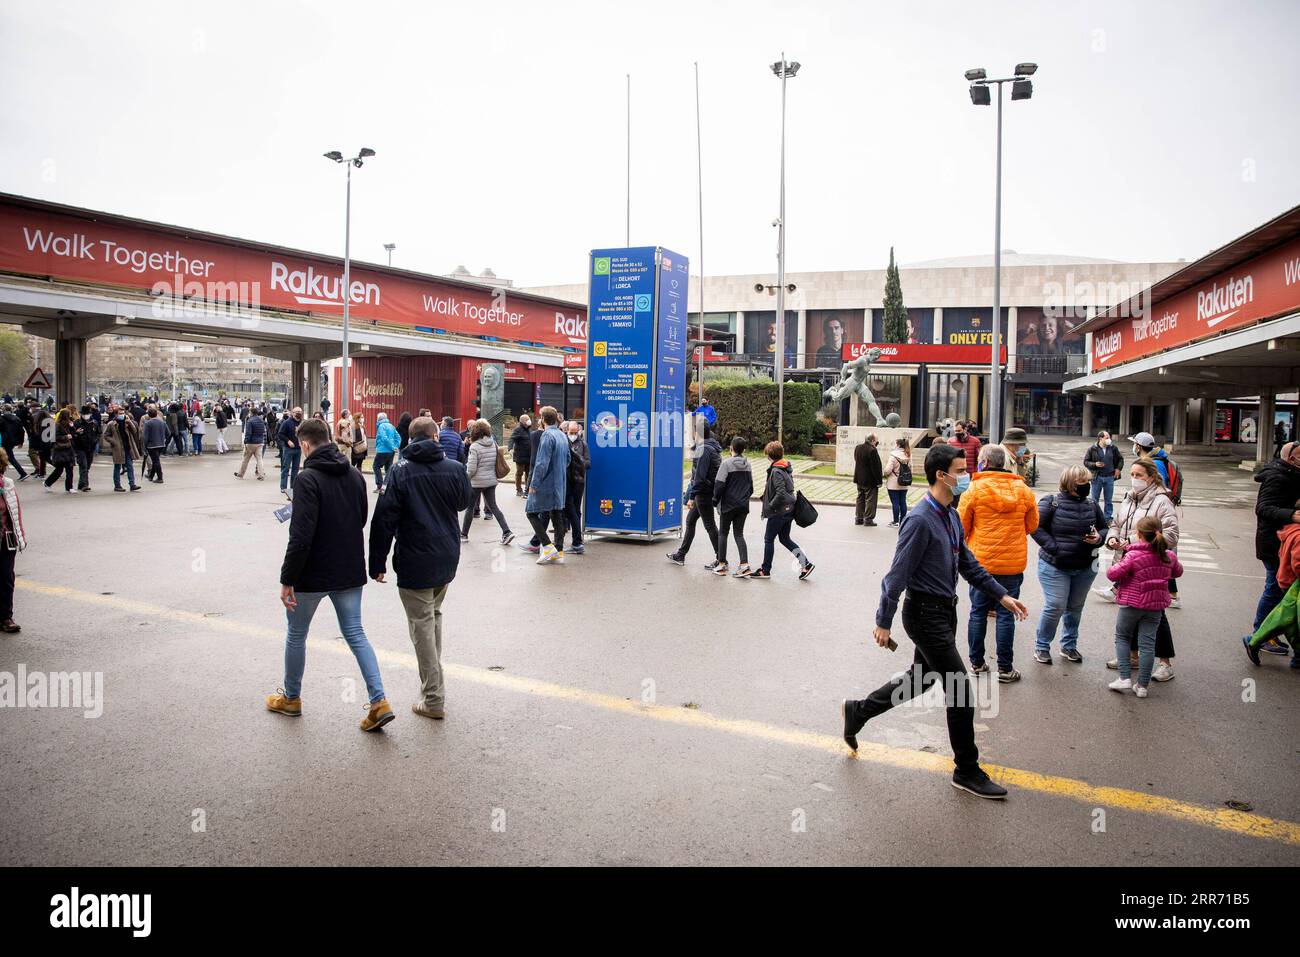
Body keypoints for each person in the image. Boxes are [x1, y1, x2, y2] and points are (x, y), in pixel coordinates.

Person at [841, 443, 1029, 799]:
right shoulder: (920, 519)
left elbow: (968, 564)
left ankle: (859, 712)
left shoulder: (951, 515)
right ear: (942, 475)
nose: (966, 476)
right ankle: (967, 770)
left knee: (921, 680)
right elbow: (896, 575)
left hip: (945, 610)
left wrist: (1001, 594)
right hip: (924, 615)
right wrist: (884, 621)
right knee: (961, 692)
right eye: (960, 470)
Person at [267, 418, 394, 732]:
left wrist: (287, 579)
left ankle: (292, 698)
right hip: (348, 568)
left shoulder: (307, 478)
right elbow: (361, 518)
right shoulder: (354, 475)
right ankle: (379, 701)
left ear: (306, 445)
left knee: (297, 635)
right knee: (355, 633)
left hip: (312, 572)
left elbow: (300, 536)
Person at [366, 415, 473, 720]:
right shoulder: (454, 469)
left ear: (411, 439)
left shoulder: (400, 471)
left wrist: (377, 563)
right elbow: (464, 502)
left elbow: (383, 520)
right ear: (436, 437)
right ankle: (434, 684)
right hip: (446, 555)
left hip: (415, 559)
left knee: (422, 625)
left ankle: (434, 697)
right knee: (432, 616)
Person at [958, 444, 1038, 681]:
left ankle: (977, 663)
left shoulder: (973, 490)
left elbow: (961, 527)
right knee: (1006, 614)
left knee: (978, 612)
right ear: (1004, 463)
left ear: (983, 463)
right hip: (1012, 563)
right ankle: (1005, 668)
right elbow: (1033, 525)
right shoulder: (1022, 490)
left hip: (981, 563)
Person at [1100, 458, 1180, 681]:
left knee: (1157, 616)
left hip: (1150, 566)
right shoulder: (1129, 496)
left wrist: (1132, 541)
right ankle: (1132, 657)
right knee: (1129, 610)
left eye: (1139, 476)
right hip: (1128, 563)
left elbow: (1171, 535)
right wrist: (1114, 539)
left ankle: (1165, 663)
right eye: (1132, 475)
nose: (1134, 480)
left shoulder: (1162, 501)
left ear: (1152, 478)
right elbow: (1116, 523)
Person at [1031, 464, 1106, 664]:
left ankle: (1069, 646)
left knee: (1075, 608)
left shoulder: (1091, 504)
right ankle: (1042, 646)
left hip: (1085, 566)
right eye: (1082, 483)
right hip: (1055, 565)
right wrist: (1054, 548)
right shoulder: (1051, 502)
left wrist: (1099, 538)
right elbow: (1035, 528)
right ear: (1070, 483)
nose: (1087, 486)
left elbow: (1105, 527)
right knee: (1055, 605)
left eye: (1088, 482)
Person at [1107, 516, 1183, 698]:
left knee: (1123, 638)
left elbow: (1112, 574)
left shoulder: (1133, 555)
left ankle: (1125, 677)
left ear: (1139, 534)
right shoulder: (1168, 555)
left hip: (1131, 604)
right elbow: (1178, 571)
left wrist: (1120, 562)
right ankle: (1142, 686)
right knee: (1148, 644)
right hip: (1155, 607)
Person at [1246, 440, 1300, 657]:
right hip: (1273, 543)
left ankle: (1265, 635)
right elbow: (1263, 508)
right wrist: (1291, 514)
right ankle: (1259, 635)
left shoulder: (1291, 474)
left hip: (1283, 541)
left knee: (1277, 589)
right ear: (1291, 458)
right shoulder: (1278, 477)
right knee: (1274, 589)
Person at [750, 441, 813, 580]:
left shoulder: (776, 471)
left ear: (770, 456)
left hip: (779, 511)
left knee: (768, 539)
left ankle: (765, 570)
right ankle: (806, 564)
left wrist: (771, 505)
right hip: (789, 509)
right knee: (785, 539)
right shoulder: (785, 467)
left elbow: (780, 493)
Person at [667, 423, 721, 567]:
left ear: (697, 434)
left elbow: (699, 476)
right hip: (707, 491)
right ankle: (681, 555)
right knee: (691, 521)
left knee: (710, 525)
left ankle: (721, 559)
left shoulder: (703, 449)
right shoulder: (712, 447)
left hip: (703, 493)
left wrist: (691, 496)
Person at [525, 407, 569, 564]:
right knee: (557, 513)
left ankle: (548, 546)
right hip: (559, 482)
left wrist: (533, 484)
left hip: (546, 483)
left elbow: (541, 463)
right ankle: (559, 550)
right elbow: (568, 459)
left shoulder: (547, 435)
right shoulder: (562, 436)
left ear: (543, 419)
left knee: (530, 512)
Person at [462, 419, 514, 545]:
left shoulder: (474, 446)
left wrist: (465, 478)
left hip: (476, 483)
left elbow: (472, 469)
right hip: (491, 481)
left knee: (469, 508)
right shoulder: (493, 444)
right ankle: (507, 531)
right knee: (494, 507)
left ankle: (463, 534)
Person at [711, 436, 754, 577]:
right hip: (743, 505)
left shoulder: (726, 464)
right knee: (739, 534)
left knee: (723, 533)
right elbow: (751, 488)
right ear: (744, 449)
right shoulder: (748, 465)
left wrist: (715, 500)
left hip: (728, 505)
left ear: (731, 448)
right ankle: (744, 565)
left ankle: (722, 565)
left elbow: (719, 485)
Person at [0, 448, 26, 633]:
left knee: (7, 577)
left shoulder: (7, 484)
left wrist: (19, 536)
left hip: (5, 538)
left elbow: (15, 513)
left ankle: (6, 617)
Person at [562, 420, 590, 554]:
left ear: (578, 431)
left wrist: (579, 461)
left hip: (578, 481)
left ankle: (577, 541)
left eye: (574, 432)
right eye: (570, 432)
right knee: (569, 511)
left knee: (575, 511)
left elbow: (589, 463)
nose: (572, 435)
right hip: (567, 481)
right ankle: (576, 540)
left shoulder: (583, 444)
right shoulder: (564, 442)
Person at [1084, 430, 1124, 523]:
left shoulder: (1113, 448)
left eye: (1109, 437)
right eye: (1107, 438)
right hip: (1097, 477)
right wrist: (1095, 464)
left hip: (1109, 477)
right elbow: (1086, 462)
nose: (1109, 439)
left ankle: (1107, 518)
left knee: (1108, 499)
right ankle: (1094, 517)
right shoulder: (1092, 449)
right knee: (1094, 499)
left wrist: (1118, 469)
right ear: (1100, 438)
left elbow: (1120, 459)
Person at [102, 407, 142, 492]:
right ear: (116, 414)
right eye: (120, 413)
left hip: (127, 447)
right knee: (117, 466)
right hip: (118, 448)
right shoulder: (112, 424)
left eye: (123, 413)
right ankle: (117, 485)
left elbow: (134, 431)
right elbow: (106, 435)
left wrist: (129, 422)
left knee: (130, 466)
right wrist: (114, 442)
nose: (122, 415)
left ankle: (132, 484)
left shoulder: (127, 422)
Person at [44, 408, 77, 494]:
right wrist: (66, 437)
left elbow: (73, 435)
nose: (70, 417)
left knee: (70, 469)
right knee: (59, 470)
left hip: (68, 449)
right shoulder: (57, 425)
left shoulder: (68, 425)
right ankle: (47, 483)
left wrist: (72, 427)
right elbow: (54, 437)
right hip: (60, 450)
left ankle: (69, 487)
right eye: (69, 415)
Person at [853, 433, 883, 527]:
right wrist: (879, 481)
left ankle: (859, 518)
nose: (877, 443)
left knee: (860, 498)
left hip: (859, 478)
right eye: (877, 442)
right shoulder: (872, 450)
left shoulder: (858, 447)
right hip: (870, 480)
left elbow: (856, 460)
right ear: (873, 441)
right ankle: (868, 519)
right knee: (870, 499)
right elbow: (876, 467)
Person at [884, 438, 912, 527]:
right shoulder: (908, 455)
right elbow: (911, 468)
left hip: (893, 482)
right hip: (904, 482)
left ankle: (895, 521)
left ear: (898, 445)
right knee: (903, 501)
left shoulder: (893, 456)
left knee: (895, 502)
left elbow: (888, 470)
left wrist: (885, 473)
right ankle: (902, 521)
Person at [72, 404, 100, 492]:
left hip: (90, 448)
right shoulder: (77, 423)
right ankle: (85, 484)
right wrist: (76, 433)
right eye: (84, 414)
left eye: (87, 413)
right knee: (83, 466)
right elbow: (72, 435)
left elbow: (99, 433)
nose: (86, 415)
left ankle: (81, 483)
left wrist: (95, 441)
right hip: (80, 448)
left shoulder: (94, 423)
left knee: (87, 466)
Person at [235, 407, 267, 480]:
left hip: (251, 443)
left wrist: (245, 442)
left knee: (245, 459)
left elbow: (248, 433)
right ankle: (261, 475)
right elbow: (263, 431)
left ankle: (240, 475)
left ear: (251, 413)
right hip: (260, 442)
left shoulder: (250, 421)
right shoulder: (261, 421)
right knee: (259, 460)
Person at [278, 407, 303, 500]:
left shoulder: (302, 423)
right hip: (288, 449)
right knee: (286, 468)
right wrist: (288, 441)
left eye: (300, 412)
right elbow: (280, 434)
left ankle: (293, 487)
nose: (299, 413)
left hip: (298, 449)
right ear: (292, 413)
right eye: (297, 412)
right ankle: (283, 487)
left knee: (295, 470)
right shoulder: (286, 423)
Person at [372, 412, 400, 492]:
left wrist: (392, 446)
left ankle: (380, 486)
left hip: (382, 450)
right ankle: (386, 485)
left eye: (377, 418)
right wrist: (396, 446)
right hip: (391, 452)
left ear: (379, 419)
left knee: (376, 466)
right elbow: (398, 437)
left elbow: (384, 438)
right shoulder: (391, 426)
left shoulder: (381, 426)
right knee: (388, 469)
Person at [0, 405, 27, 482]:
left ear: (4, 410)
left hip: (4, 440)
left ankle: (22, 473)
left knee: (9, 458)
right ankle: (22, 473)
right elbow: (22, 431)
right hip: (13, 441)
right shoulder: (17, 419)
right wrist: (20, 442)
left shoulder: (2, 419)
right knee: (9, 457)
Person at [141, 407, 168, 484]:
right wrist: (163, 438)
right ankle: (151, 476)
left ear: (149, 415)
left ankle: (160, 477)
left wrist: (145, 447)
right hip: (161, 444)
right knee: (155, 460)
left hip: (152, 445)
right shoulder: (163, 422)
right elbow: (168, 433)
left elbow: (145, 437)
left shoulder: (148, 423)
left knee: (156, 461)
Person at [510, 414, 533, 497]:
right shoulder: (518, 430)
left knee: (528, 473)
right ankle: (519, 490)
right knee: (519, 473)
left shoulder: (529, 429)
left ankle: (527, 489)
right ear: (522, 421)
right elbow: (512, 439)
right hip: (520, 456)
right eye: (527, 419)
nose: (529, 420)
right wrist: (510, 448)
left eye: (529, 419)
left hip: (529, 455)